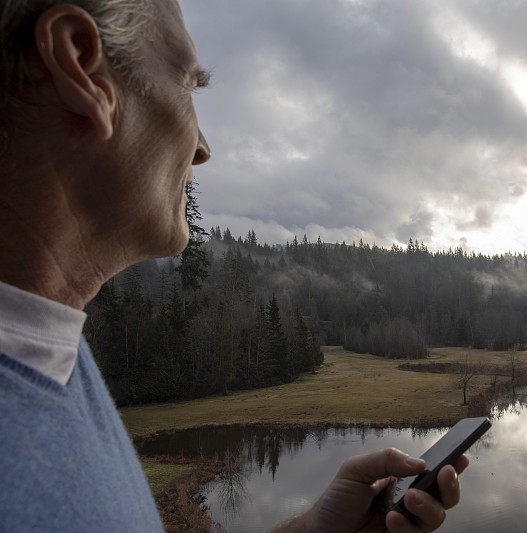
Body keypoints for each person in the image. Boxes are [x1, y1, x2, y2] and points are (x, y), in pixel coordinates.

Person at [0, 0, 468, 531]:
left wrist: (315, 529)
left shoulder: (45, 344)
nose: (202, 147)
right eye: (187, 86)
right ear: (81, 64)